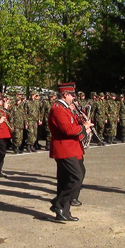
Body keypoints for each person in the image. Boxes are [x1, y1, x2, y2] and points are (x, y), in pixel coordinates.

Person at [48, 82, 92, 222]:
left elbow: (74, 123)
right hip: (64, 148)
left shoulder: (65, 108)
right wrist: (83, 127)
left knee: (65, 180)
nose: (74, 98)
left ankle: (63, 211)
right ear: (65, 95)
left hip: (72, 147)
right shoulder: (58, 109)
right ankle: (58, 203)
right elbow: (67, 129)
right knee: (76, 177)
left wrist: (83, 122)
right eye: (72, 95)